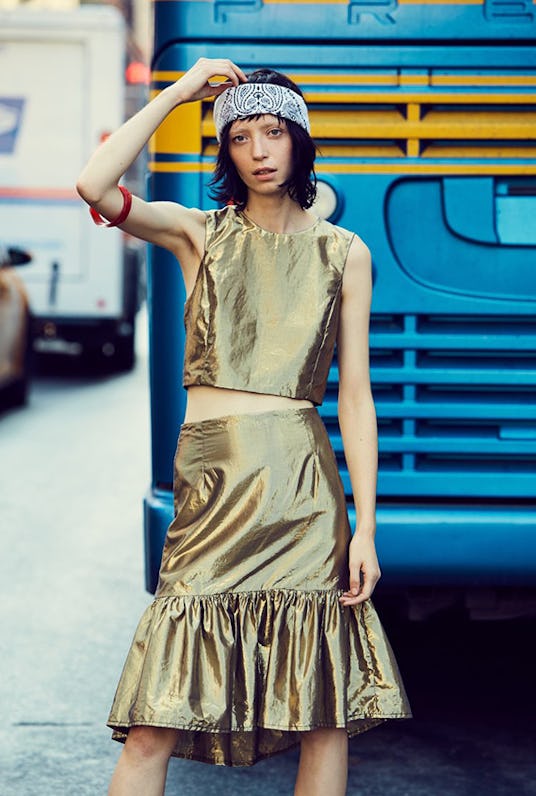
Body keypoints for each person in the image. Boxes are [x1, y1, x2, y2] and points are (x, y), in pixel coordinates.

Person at [77, 57, 411, 796]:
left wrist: (366, 529)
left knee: (322, 714)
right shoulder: (199, 234)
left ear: (299, 141)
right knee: (153, 720)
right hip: (214, 484)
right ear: (224, 151)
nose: (258, 151)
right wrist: (178, 92)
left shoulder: (345, 253)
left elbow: (354, 398)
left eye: (273, 132)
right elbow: (94, 186)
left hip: (302, 490)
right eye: (239, 138)